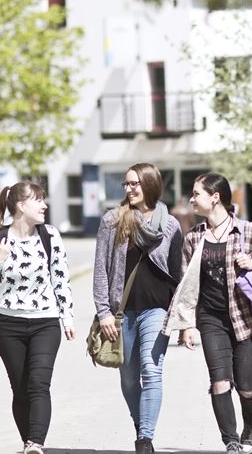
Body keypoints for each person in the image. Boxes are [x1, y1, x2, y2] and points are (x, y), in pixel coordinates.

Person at [164, 173, 252, 453]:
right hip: (211, 318)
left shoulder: (249, 231)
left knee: (246, 387)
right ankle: (230, 441)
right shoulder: (194, 237)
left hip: (245, 319)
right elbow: (186, 284)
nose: (191, 199)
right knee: (219, 382)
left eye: (196, 194)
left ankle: (250, 425)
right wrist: (186, 325)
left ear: (214, 197)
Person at [93, 164, 183, 454]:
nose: (129, 189)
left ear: (150, 185)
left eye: (135, 184)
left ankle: (145, 439)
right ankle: (140, 424)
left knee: (151, 369)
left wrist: (182, 318)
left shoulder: (170, 225)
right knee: (129, 378)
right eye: (126, 184)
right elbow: (100, 271)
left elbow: (177, 275)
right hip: (122, 313)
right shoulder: (113, 221)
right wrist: (104, 311)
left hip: (157, 310)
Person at [0, 181, 75, 454]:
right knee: (20, 389)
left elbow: (61, 279)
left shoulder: (50, 235)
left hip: (45, 322)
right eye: (38, 200)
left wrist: (67, 317)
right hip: (9, 325)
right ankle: (28, 443)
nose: (44, 205)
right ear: (21, 206)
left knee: (38, 384)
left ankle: (36, 443)